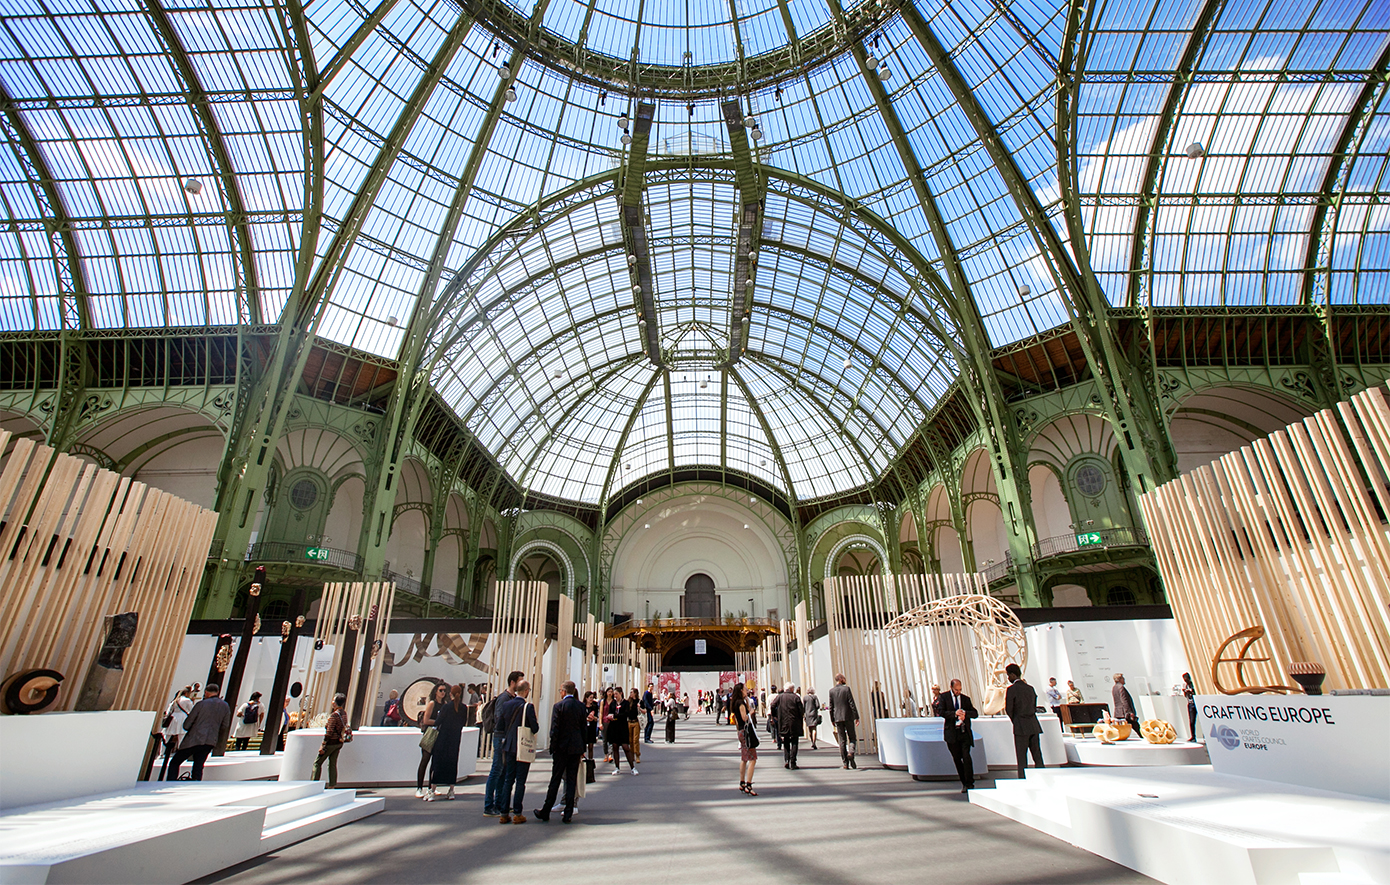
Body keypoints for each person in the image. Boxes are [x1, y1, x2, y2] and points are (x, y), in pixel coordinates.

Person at [536, 681, 588, 824]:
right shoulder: (581, 706)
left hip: (561, 748)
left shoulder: (558, 706)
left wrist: (553, 747)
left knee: (556, 778)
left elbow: (555, 730)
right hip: (576, 748)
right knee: (571, 780)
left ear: (564, 691)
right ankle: (568, 813)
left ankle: (546, 810)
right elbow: (584, 728)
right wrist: (583, 748)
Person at [164, 683, 231, 780]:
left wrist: (188, 727)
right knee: (199, 765)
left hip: (194, 738)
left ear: (206, 692)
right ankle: (196, 782)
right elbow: (225, 725)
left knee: (175, 762)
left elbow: (188, 723)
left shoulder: (201, 704)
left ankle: (171, 781)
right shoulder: (225, 706)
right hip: (210, 739)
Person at [497, 680, 539, 824]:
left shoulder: (507, 705)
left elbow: (500, 725)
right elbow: (535, 727)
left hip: (509, 746)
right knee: (521, 780)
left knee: (509, 779)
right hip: (522, 746)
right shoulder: (528, 706)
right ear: (526, 690)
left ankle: (503, 812)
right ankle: (517, 812)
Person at [483, 671, 524, 817]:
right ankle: (489, 805)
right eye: (520, 681)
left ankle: (499, 804)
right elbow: (499, 718)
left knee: (503, 772)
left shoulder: (511, 698)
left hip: (507, 737)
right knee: (496, 770)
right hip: (501, 737)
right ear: (512, 682)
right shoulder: (504, 698)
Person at [426, 684, 467, 801]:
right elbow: (463, 722)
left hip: (443, 738)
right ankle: (451, 790)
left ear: (450, 694)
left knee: (437, 763)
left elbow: (438, 721)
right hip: (455, 739)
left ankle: (432, 790)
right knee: (452, 763)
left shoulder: (446, 707)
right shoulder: (463, 708)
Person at [1004, 664, 1044, 779]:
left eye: (1008, 675)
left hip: (1021, 726)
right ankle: (1043, 777)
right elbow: (1033, 705)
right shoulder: (1030, 688)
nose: (1008, 678)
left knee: (1022, 757)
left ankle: (1023, 779)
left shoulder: (1011, 690)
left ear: (1012, 675)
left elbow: (1009, 709)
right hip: (1033, 724)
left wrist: (1016, 720)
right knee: (1037, 755)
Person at [937, 679, 977, 793]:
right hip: (952, 733)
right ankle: (964, 782)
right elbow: (942, 712)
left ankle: (970, 783)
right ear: (951, 687)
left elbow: (975, 713)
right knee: (957, 758)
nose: (958, 692)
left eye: (960, 690)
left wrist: (965, 714)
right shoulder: (944, 697)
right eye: (956, 690)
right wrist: (954, 714)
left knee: (966, 757)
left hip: (964, 733)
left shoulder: (965, 699)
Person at [312, 692, 351, 789]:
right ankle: (332, 784)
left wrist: (323, 744)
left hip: (331, 742)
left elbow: (329, 732)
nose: (332, 702)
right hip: (339, 742)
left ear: (335, 703)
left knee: (317, 763)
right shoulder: (344, 713)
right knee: (332, 763)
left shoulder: (334, 715)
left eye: (333, 700)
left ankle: (313, 784)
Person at [417, 682, 449, 799]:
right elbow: (426, 720)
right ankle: (419, 788)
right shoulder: (432, 704)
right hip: (431, 734)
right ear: (436, 691)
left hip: (439, 735)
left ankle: (431, 787)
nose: (443, 693)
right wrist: (437, 722)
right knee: (425, 760)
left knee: (435, 763)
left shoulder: (445, 704)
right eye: (440, 690)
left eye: (444, 690)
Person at [156, 686, 195, 780]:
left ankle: (161, 753)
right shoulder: (187, 700)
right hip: (182, 718)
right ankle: (181, 753)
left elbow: (168, 711)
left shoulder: (174, 701)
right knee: (181, 737)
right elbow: (191, 710)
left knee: (167, 736)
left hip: (173, 718)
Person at [730, 682, 758, 796]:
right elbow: (744, 717)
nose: (747, 690)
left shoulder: (735, 703)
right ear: (741, 690)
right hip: (746, 732)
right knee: (753, 758)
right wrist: (751, 712)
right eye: (745, 689)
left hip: (740, 731)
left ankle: (742, 782)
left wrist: (747, 700)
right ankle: (749, 784)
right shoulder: (740, 703)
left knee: (744, 758)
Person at [828, 674, 860, 770]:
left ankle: (845, 763)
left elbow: (831, 706)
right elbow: (851, 703)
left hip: (838, 718)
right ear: (841, 679)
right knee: (852, 737)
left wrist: (832, 719)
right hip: (848, 717)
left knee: (842, 740)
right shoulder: (846, 689)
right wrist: (856, 717)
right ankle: (851, 752)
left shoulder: (831, 691)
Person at [775, 685, 805, 769]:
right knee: (795, 742)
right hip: (794, 722)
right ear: (791, 689)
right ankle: (793, 761)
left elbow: (773, 705)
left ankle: (787, 760)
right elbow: (801, 710)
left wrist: (776, 715)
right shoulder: (796, 697)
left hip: (784, 722)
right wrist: (800, 717)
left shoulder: (780, 697)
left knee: (786, 741)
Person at [623, 689, 643, 771]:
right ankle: (631, 755)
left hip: (636, 722)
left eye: (632, 692)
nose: (630, 694)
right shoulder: (628, 702)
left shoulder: (639, 701)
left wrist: (640, 708)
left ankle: (637, 754)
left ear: (635, 693)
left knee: (635, 739)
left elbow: (644, 711)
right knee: (630, 740)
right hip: (629, 722)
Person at [1182, 672, 1198, 742]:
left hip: (1196, 703)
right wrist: (1185, 692)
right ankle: (1193, 736)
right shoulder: (1186, 685)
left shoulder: (1193, 684)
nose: (1186, 680)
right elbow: (1185, 696)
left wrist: (1191, 692)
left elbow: (1196, 692)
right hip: (1190, 704)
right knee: (1191, 721)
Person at [767, 684, 782, 749]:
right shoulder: (778, 696)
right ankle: (780, 738)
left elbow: (768, 704)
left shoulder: (769, 696)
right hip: (778, 713)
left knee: (772, 726)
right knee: (779, 727)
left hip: (771, 712)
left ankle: (774, 738)